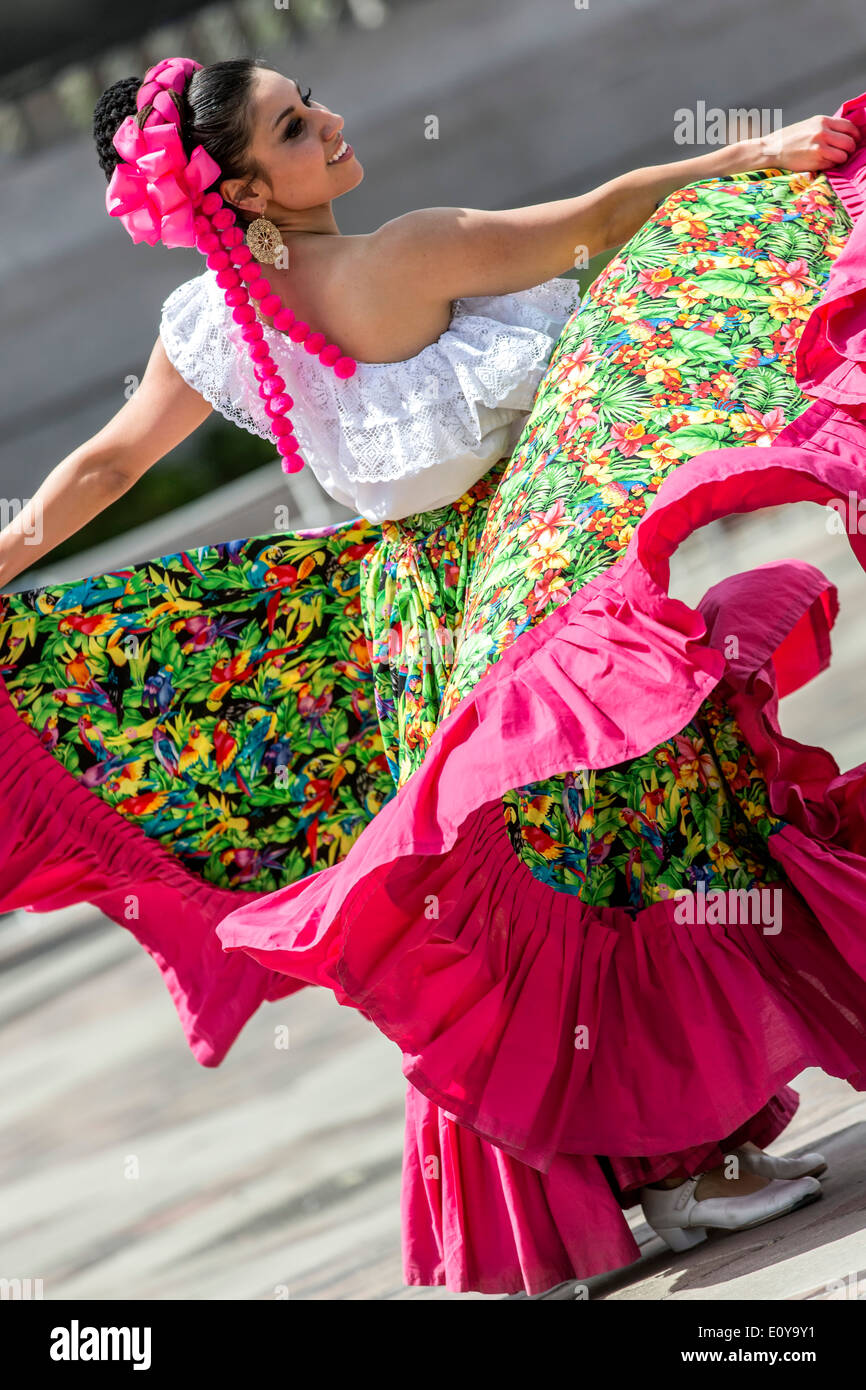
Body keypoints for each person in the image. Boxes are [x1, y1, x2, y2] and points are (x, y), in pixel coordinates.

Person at [0, 54, 864, 1297]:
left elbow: (105, 467)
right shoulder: (408, 249)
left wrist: (12, 548)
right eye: (296, 126)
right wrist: (746, 159)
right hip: (517, 588)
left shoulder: (206, 325)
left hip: (409, 622)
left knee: (542, 885)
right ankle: (680, 1168)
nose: (332, 123)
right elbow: (602, 219)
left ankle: (663, 1172)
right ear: (240, 193)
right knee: (647, 844)